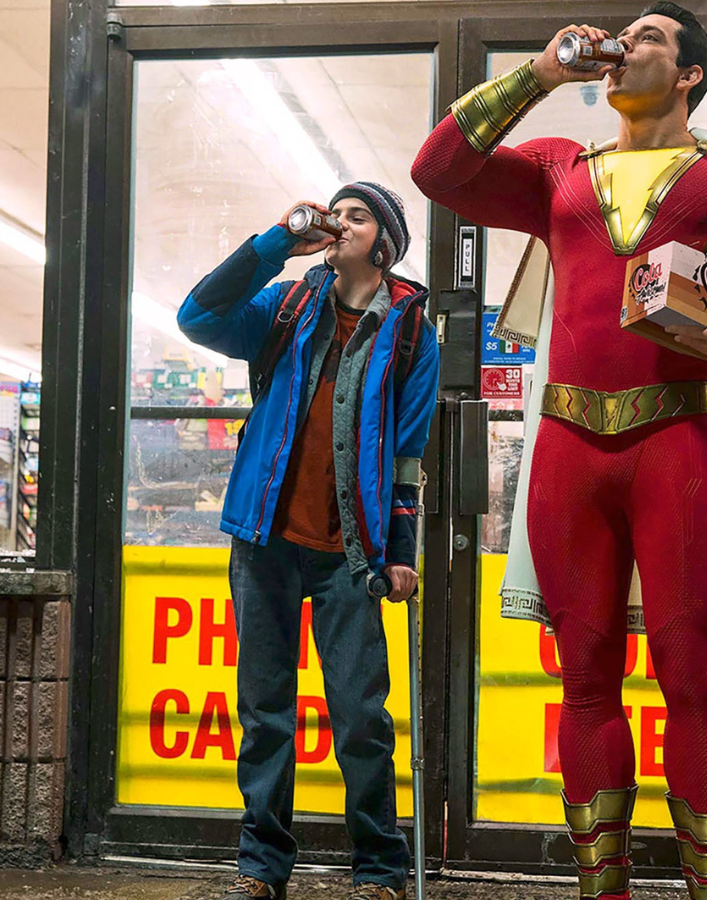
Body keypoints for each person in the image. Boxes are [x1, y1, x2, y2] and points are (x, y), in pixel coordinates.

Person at [411, 5, 707, 900]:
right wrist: (540, 73)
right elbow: (438, 170)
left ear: (690, 72)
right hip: (570, 446)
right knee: (585, 682)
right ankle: (598, 890)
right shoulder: (556, 169)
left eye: (647, 37)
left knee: (690, 677)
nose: (622, 46)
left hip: (679, 440)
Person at [176, 182, 440, 900]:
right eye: (335, 213)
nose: (338, 222)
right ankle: (261, 869)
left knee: (360, 717)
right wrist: (274, 245)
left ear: (384, 240)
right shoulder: (287, 304)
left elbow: (409, 453)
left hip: (350, 553)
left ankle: (380, 869)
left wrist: (402, 553)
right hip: (264, 538)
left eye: (356, 215)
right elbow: (197, 315)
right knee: (265, 711)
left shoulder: (411, 325)